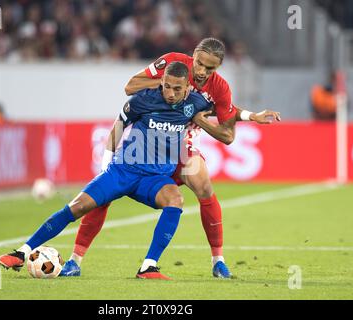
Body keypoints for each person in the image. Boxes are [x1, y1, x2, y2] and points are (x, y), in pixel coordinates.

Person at [62, 38, 281, 278]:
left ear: (218, 67)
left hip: (180, 144)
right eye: (199, 64)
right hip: (148, 140)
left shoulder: (219, 87)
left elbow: (225, 123)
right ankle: (75, 260)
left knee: (202, 183)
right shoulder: (173, 61)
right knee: (106, 194)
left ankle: (218, 260)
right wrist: (174, 83)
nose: (201, 72)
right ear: (193, 55)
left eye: (210, 69)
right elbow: (131, 86)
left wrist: (246, 116)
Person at [0, 62, 213, 280]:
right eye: (167, 86)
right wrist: (105, 166)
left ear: (187, 88)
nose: (171, 93)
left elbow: (225, 109)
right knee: (77, 206)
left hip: (155, 179)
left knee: (175, 199)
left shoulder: (196, 103)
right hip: (122, 171)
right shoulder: (143, 100)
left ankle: (148, 266)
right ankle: (22, 252)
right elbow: (118, 127)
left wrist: (245, 116)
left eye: (177, 89)